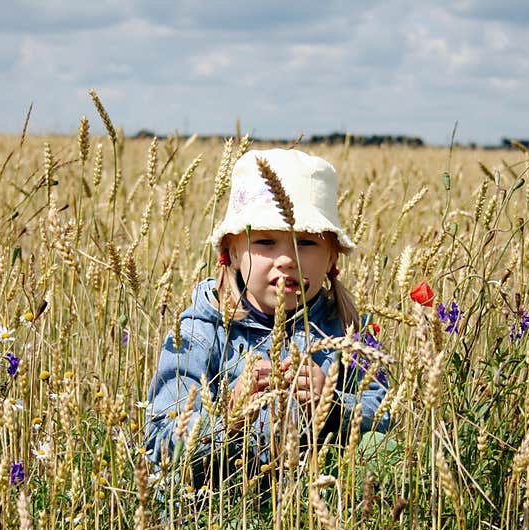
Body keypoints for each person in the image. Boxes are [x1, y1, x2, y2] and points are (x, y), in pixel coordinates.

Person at [145, 148, 391, 490]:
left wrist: (332, 404)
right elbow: (158, 440)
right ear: (231, 250)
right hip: (213, 515)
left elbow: (388, 413)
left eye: (305, 242)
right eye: (266, 241)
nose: (287, 259)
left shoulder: (348, 329)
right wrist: (227, 418)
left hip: (312, 511)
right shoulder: (199, 333)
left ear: (333, 253)